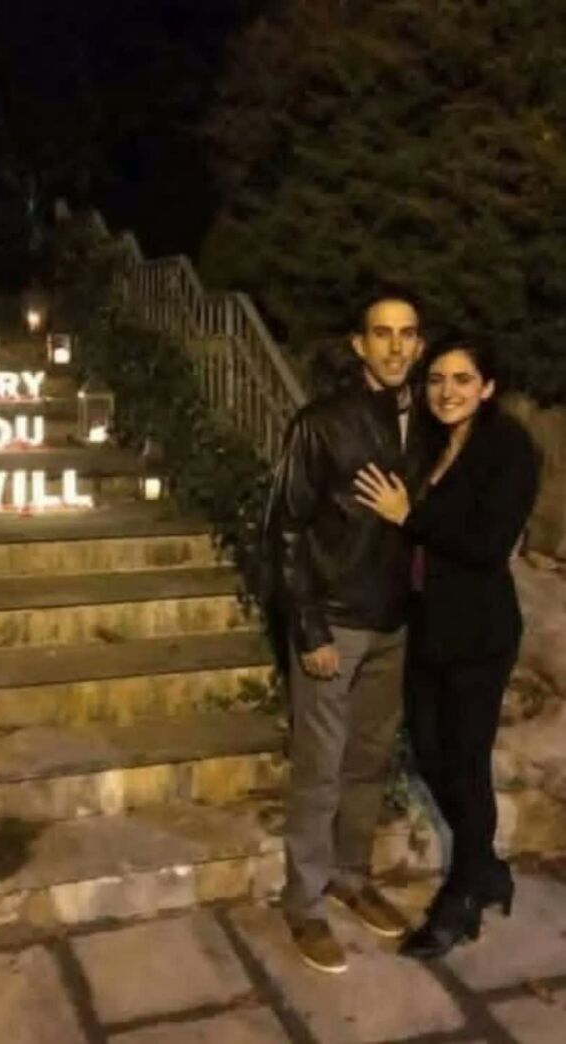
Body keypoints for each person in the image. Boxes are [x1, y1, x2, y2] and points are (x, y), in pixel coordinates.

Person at [353, 334, 540, 958]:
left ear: (487, 386)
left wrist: (411, 518)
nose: (447, 391)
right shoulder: (431, 443)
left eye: (462, 379)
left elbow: (487, 543)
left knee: (465, 762)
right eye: (436, 379)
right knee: (431, 755)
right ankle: (485, 869)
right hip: (428, 628)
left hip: (479, 635)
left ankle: (461, 899)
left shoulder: (508, 449)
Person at [265, 291, 427, 973]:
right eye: (380, 334)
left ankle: (351, 878)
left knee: (368, 763)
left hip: (396, 625)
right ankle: (303, 904)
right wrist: (309, 627)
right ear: (359, 344)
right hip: (335, 622)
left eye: (407, 334)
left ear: (419, 345)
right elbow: (285, 530)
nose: (394, 346)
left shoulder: (430, 427)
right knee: (320, 772)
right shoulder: (321, 424)